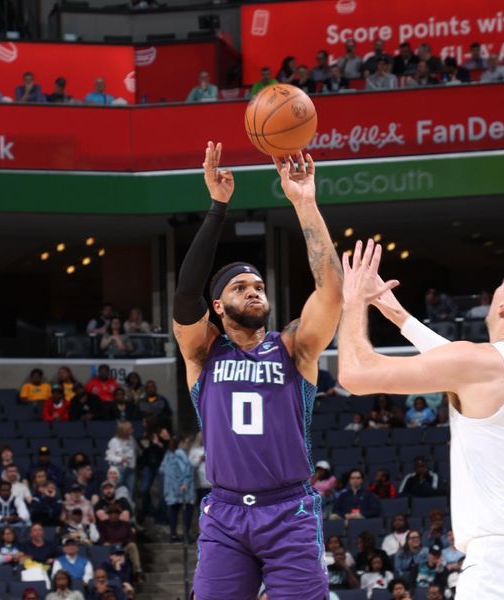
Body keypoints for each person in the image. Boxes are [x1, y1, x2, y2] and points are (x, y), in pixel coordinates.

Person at [338, 244, 504, 599]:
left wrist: (353, 301)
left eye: (501, 283)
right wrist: (395, 312)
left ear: (503, 305)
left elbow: (354, 375)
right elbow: (454, 361)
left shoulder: (482, 364)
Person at [172, 141, 342, 599]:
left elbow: (330, 292)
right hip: (225, 514)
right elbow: (185, 296)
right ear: (218, 305)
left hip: (288, 510)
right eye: (241, 286)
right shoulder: (204, 354)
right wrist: (216, 208)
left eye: (259, 286)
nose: (254, 291)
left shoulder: (293, 347)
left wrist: (305, 203)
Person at [160, 434, 195, 543]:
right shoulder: (180, 454)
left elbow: (162, 470)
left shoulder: (168, 455)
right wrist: (184, 483)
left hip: (171, 490)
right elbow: (186, 471)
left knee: (174, 513)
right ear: (181, 443)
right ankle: (185, 535)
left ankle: (173, 535)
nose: (188, 445)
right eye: (187, 442)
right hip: (182, 490)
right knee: (187, 511)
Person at [105, 421, 138, 494]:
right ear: (124, 431)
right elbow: (108, 457)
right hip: (118, 470)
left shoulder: (132, 439)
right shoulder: (114, 441)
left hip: (130, 470)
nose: (133, 430)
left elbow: (135, 451)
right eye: (130, 429)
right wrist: (120, 459)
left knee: (130, 492)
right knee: (117, 492)